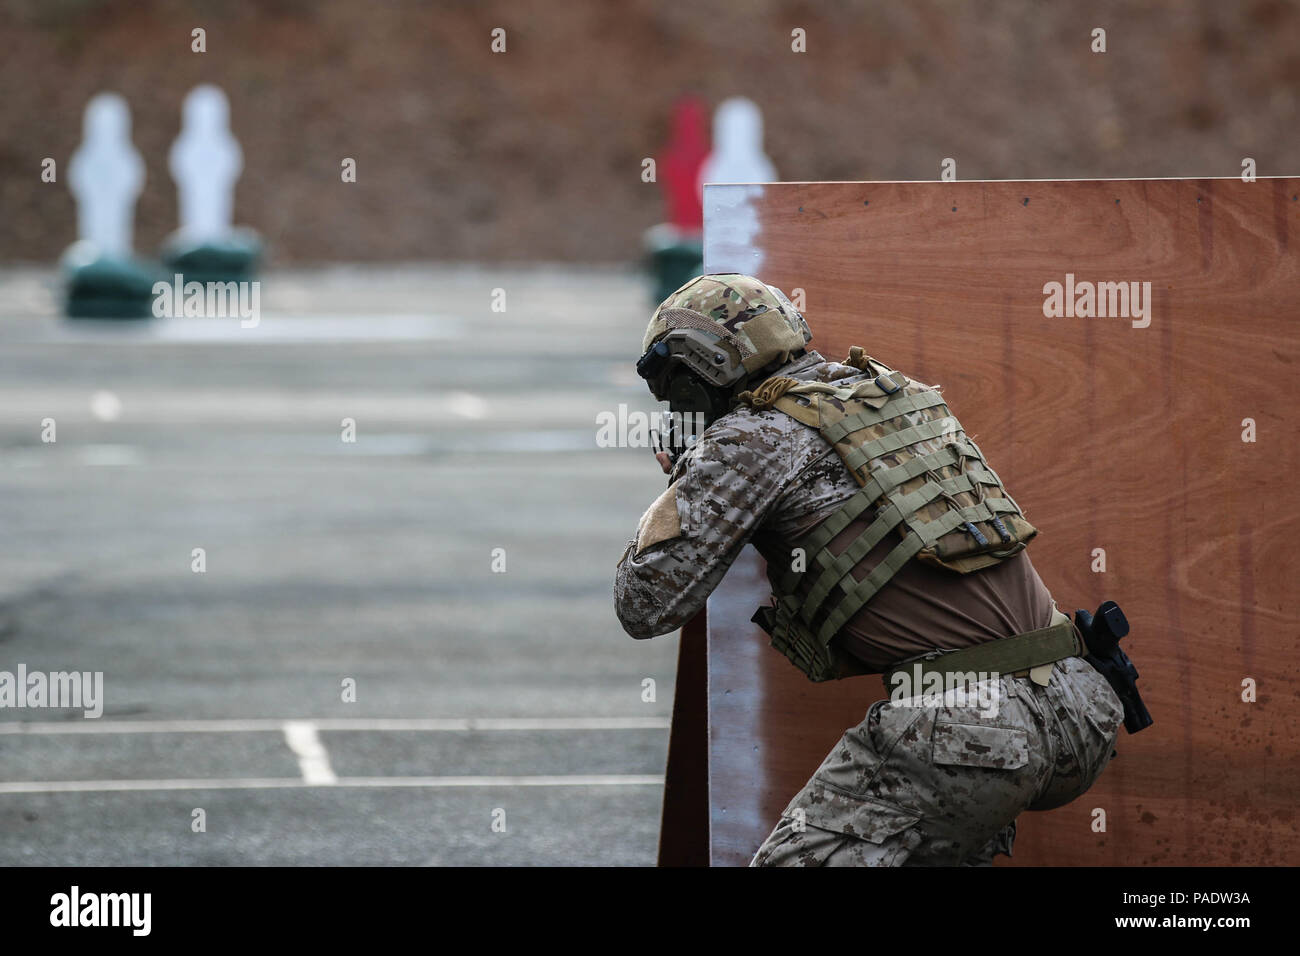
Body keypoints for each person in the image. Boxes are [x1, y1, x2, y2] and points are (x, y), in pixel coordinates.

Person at [614, 273, 1126, 866]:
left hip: (968, 734)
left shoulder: (750, 437)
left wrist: (683, 481)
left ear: (698, 370)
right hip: (1079, 703)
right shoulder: (891, 394)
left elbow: (643, 604)